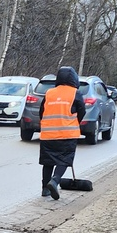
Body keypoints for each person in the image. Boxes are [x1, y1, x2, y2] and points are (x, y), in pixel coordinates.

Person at [38, 66, 85, 200]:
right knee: (64, 160)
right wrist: (75, 122)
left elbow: (42, 112)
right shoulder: (75, 93)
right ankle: (55, 180)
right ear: (74, 79)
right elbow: (81, 111)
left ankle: (44, 189)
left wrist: (47, 124)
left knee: (48, 162)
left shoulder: (49, 93)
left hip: (48, 135)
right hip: (67, 134)